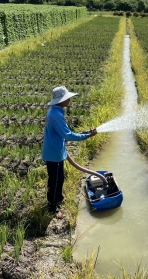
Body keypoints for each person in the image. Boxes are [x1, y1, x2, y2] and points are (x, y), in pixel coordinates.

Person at [42, 86, 98, 219]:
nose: (69, 99)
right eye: (67, 98)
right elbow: (68, 135)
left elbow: (62, 133)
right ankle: (52, 207)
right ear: (61, 100)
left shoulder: (55, 111)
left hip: (56, 151)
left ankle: (59, 197)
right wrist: (87, 136)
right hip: (54, 154)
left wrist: (85, 133)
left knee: (60, 177)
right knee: (54, 181)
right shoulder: (55, 115)